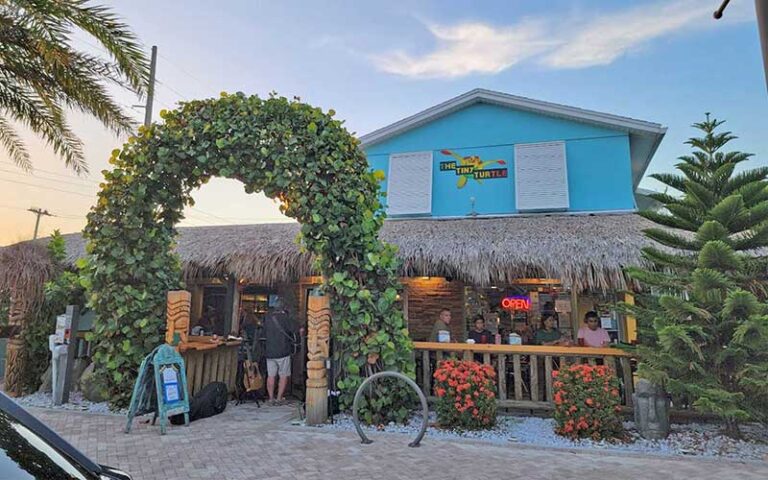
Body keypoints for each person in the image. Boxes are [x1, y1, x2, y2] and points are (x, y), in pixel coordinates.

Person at [262, 297, 297, 405]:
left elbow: (262, 334)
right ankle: (279, 398)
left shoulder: (267, 318)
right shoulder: (286, 318)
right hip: (283, 351)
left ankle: (271, 398)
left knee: (271, 375)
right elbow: (294, 331)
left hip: (270, 351)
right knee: (283, 375)